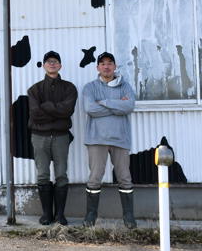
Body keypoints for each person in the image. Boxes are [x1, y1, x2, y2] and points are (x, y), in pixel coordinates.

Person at [81, 52, 137, 228]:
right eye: (103, 63)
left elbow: (129, 106)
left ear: (115, 66)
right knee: (95, 177)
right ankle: (91, 215)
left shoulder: (125, 86)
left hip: (120, 138)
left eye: (110, 63)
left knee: (125, 177)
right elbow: (90, 109)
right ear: (97, 67)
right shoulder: (90, 88)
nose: (106, 66)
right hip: (96, 139)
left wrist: (104, 102)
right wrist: (117, 103)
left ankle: (129, 217)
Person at [27, 51, 78, 225]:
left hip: (61, 137)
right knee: (42, 175)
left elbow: (68, 110)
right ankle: (47, 214)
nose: (52, 63)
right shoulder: (34, 90)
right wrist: (57, 112)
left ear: (60, 65)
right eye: (48, 61)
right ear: (43, 65)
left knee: (61, 174)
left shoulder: (69, 88)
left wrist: (47, 107)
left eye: (55, 61)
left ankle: (60, 215)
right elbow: (35, 114)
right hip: (39, 137)